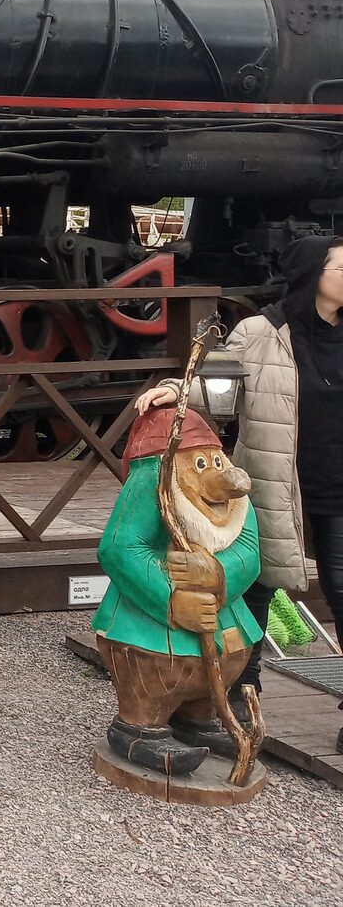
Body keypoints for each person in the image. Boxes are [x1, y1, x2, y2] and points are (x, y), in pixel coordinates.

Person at [136, 234, 343, 749]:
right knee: (252, 592)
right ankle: (235, 697)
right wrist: (176, 390)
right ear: (313, 272)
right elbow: (215, 381)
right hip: (274, 485)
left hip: (341, 490)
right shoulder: (261, 332)